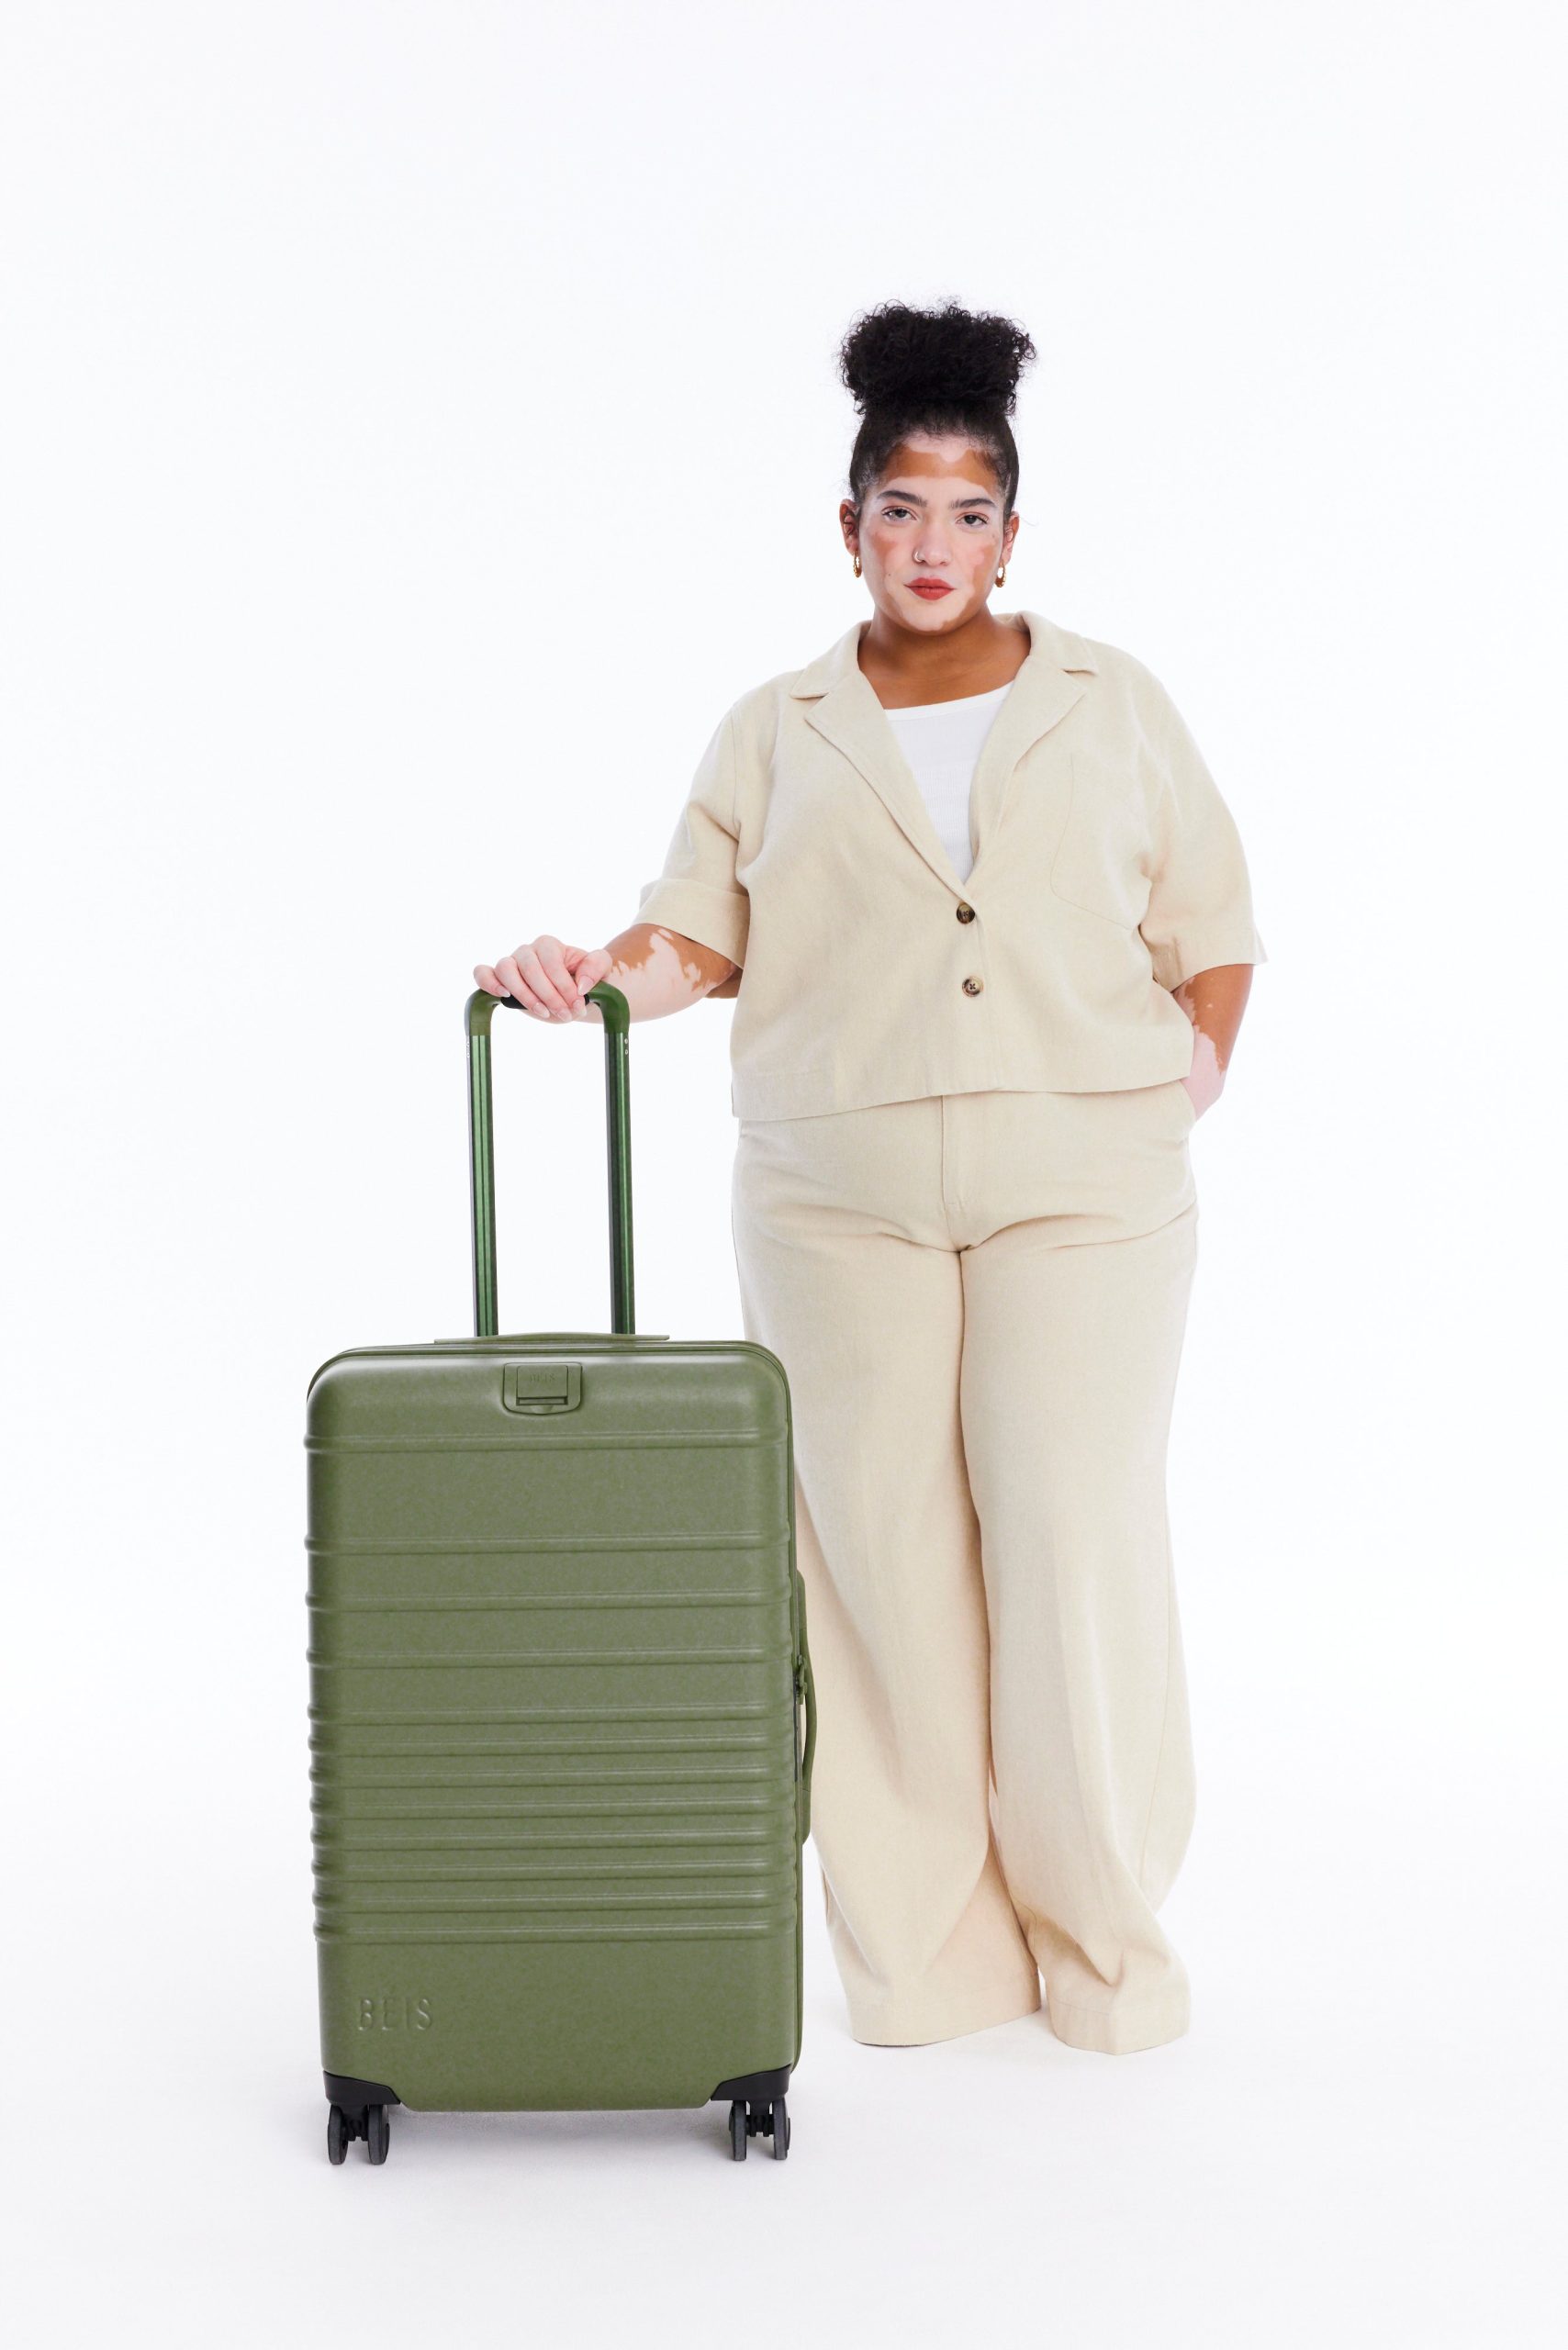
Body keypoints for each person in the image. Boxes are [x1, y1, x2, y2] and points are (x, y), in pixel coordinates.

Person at [475, 297, 1266, 2057]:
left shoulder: (1112, 701)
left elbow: (1212, 919)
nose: (933, 544)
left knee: (1069, 1533)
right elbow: (694, 937)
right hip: (838, 1193)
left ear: (1010, 534)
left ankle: (1104, 1949)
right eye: (901, 509)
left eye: (969, 512)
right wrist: (589, 978)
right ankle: (929, 1966)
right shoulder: (777, 726)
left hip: (1086, 1184)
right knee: (879, 1563)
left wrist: (1192, 1075)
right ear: (849, 528)